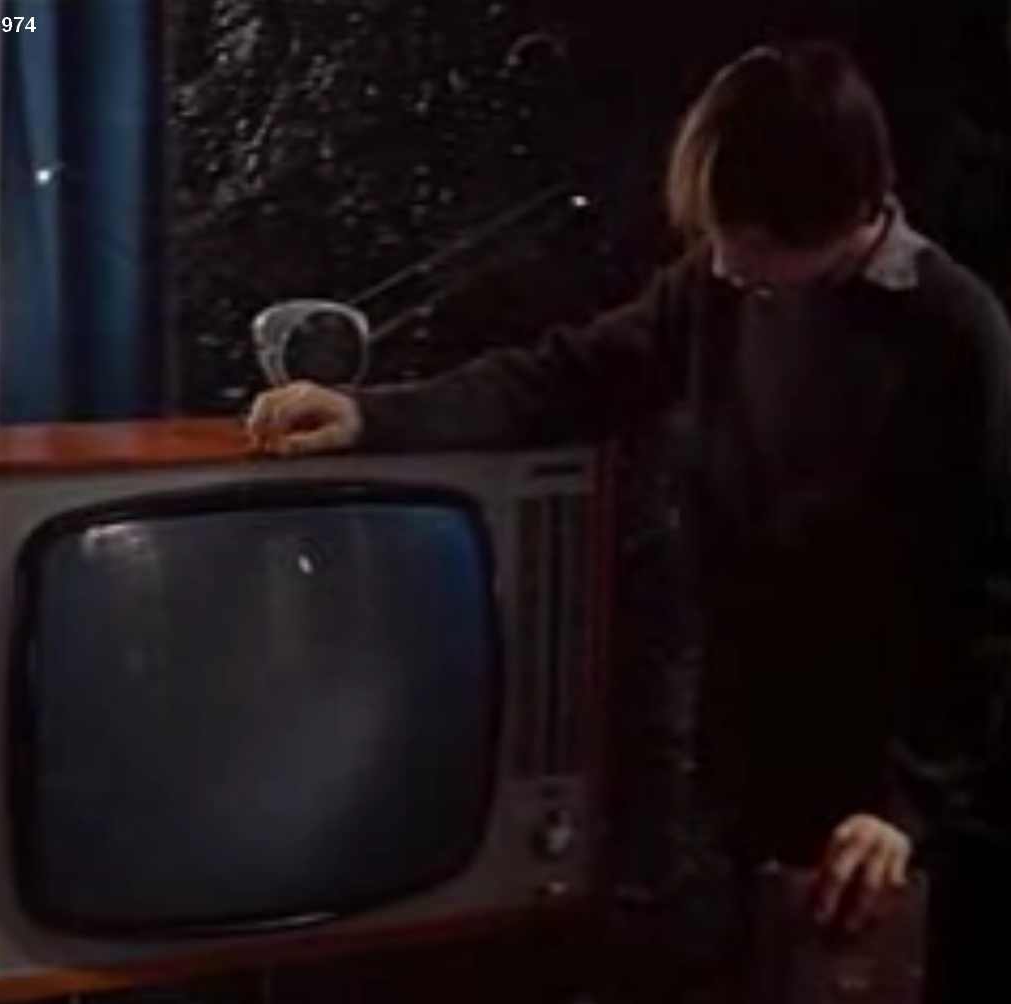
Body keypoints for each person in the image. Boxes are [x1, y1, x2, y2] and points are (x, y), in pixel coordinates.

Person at [247, 40, 1010, 1002]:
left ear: (842, 211)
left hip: (898, 789)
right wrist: (374, 416)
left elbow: (980, 599)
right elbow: (564, 374)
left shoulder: (953, 331)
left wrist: (905, 805)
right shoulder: (715, 287)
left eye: (749, 239)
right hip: (750, 756)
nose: (721, 260)